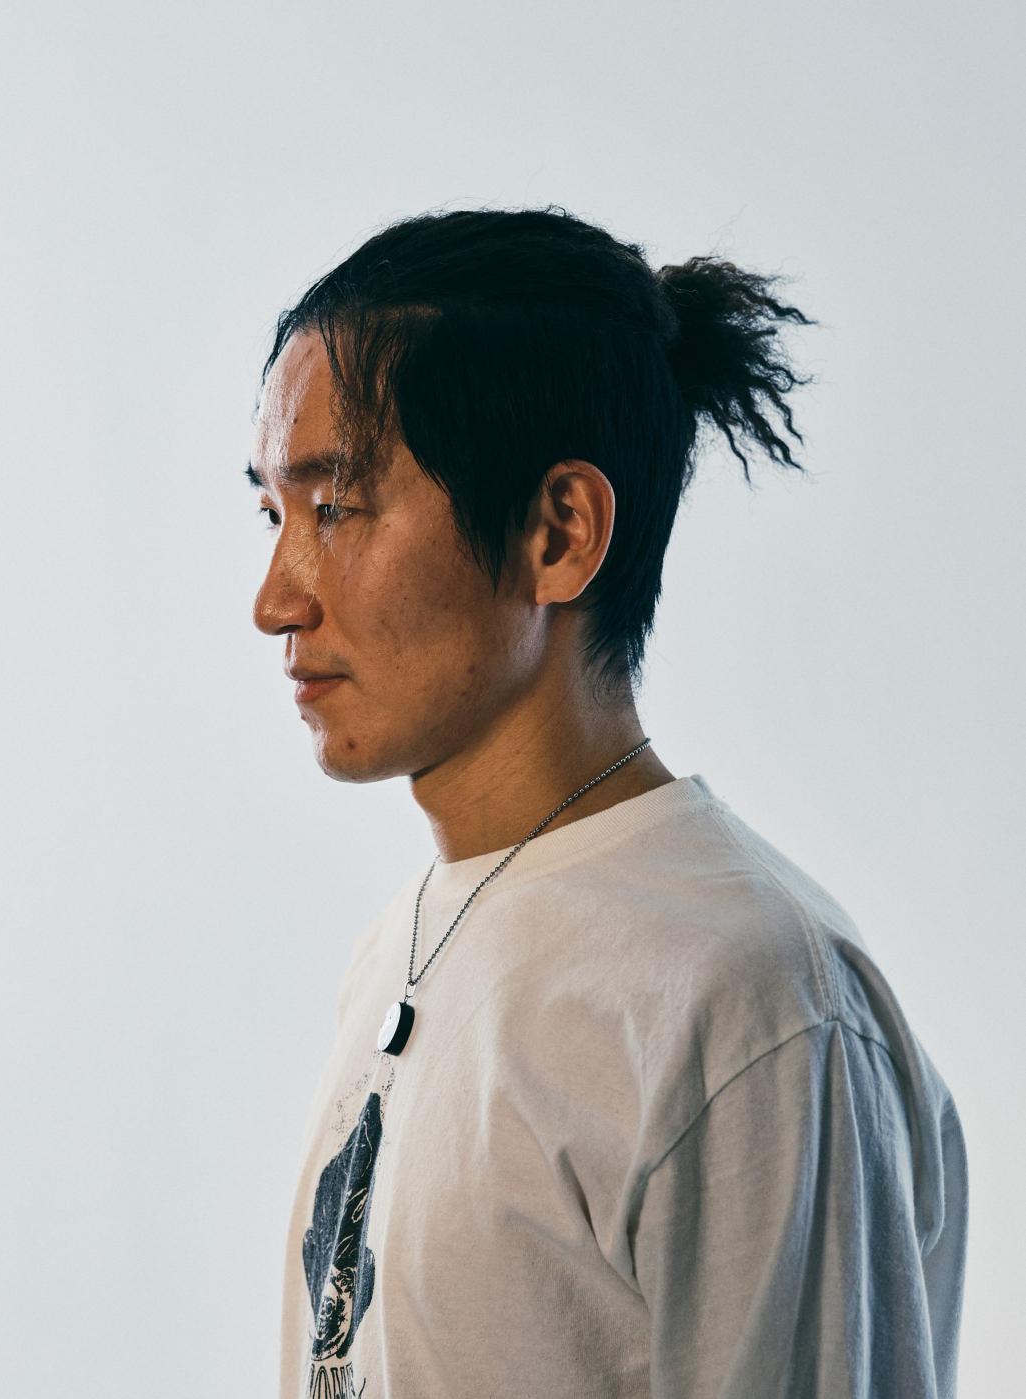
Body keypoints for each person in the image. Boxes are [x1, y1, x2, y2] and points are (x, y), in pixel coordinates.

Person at [247, 206, 968, 1399]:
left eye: (335, 509)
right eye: (271, 513)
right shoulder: (398, 945)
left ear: (559, 531)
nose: (275, 599)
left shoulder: (751, 999)